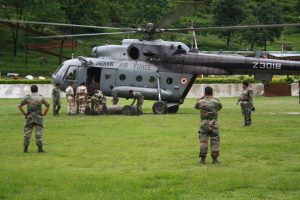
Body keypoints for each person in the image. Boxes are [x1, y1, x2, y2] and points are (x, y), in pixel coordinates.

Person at [18, 85, 50, 153]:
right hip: (38, 117)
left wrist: (25, 114)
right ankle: (40, 149)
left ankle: (25, 148)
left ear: (31, 90)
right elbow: (48, 105)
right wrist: (44, 114)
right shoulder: (41, 97)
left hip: (29, 117)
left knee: (27, 133)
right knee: (39, 133)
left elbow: (20, 105)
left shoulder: (28, 97)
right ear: (37, 89)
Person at [195, 86, 222, 164]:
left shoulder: (200, 102)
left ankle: (202, 159)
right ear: (212, 93)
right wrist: (213, 98)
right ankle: (215, 159)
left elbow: (196, 105)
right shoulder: (216, 102)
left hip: (204, 124)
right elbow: (219, 106)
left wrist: (202, 97)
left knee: (203, 141)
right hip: (214, 124)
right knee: (215, 141)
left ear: (204, 92)